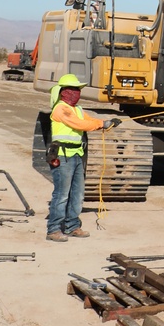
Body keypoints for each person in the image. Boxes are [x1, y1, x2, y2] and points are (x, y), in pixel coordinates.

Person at [46, 74, 118, 242]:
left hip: (77, 155)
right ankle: (53, 230)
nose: (76, 92)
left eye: (78, 89)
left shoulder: (77, 109)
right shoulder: (60, 108)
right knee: (62, 194)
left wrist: (106, 122)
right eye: (73, 89)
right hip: (62, 156)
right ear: (63, 91)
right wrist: (101, 124)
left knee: (77, 194)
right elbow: (79, 124)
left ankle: (72, 226)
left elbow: (88, 120)